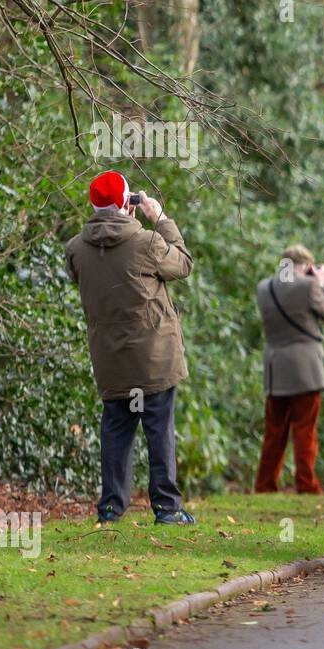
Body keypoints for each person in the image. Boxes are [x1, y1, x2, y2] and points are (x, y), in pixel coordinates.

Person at [65, 171, 195, 526]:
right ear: (127, 203)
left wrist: (124, 222)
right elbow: (182, 264)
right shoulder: (147, 242)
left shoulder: (76, 248)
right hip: (153, 360)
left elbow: (90, 276)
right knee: (159, 431)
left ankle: (110, 508)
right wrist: (160, 218)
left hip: (110, 360)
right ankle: (167, 509)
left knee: (116, 431)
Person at [255, 244, 324, 495]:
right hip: (305, 370)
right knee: (305, 431)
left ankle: (265, 485)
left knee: (274, 433)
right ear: (305, 266)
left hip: (275, 368)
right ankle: (306, 484)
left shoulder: (264, 287)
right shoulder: (309, 286)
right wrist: (321, 283)